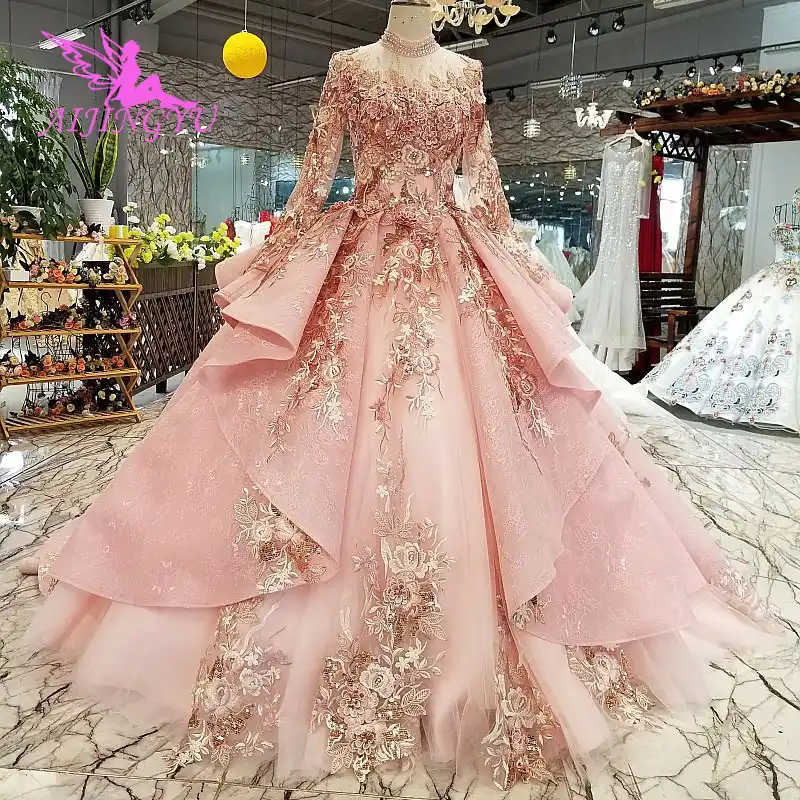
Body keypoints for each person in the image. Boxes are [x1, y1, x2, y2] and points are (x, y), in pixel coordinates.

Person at [25, 0, 780, 790]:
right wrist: (279, 267)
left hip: (422, 259)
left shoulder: (451, 74)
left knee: (474, 432)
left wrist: (507, 268)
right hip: (396, 257)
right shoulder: (360, 67)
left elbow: (456, 186)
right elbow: (354, 181)